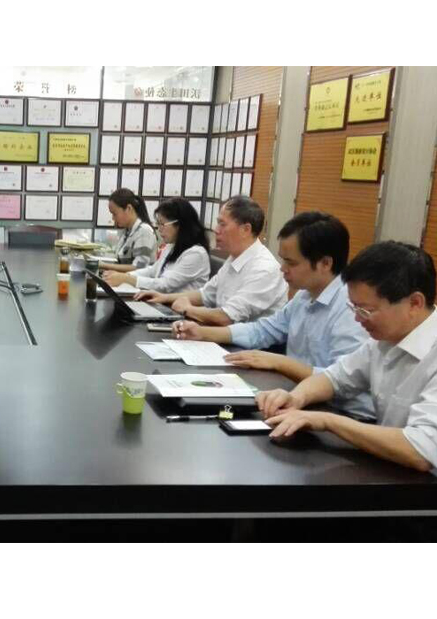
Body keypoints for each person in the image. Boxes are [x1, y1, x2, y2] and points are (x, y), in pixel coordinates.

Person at [172, 212, 372, 420]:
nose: (282, 269)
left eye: (291, 263)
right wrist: (202, 332)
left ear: (325, 263)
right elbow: (264, 330)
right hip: (300, 398)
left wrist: (279, 362)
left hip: (344, 414)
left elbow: (340, 380)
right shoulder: (304, 295)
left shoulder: (352, 309)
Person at [257, 241, 437, 473]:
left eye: (366, 310)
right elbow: (335, 378)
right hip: (394, 471)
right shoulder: (384, 340)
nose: (357, 320)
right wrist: (296, 398)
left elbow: (421, 450)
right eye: (354, 308)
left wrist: (328, 421)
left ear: (414, 303)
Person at [135, 196, 287, 325]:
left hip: (248, 347)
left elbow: (227, 317)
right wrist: (163, 298)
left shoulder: (263, 269)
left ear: (245, 229)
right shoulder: (235, 258)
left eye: (222, 224)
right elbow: (206, 294)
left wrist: (188, 309)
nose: (216, 229)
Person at [103, 197, 210, 292]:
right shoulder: (171, 246)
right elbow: (153, 270)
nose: (159, 229)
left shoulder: (196, 254)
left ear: (180, 224)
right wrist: (124, 276)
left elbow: (164, 285)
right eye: (158, 224)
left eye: (162, 224)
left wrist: (128, 279)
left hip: (174, 307)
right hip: (162, 303)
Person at [98, 188, 156, 273]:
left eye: (115, 214)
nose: (113, 218)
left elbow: (139, 268)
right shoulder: (127, 231)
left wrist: (104, 265)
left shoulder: (144, 231)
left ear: (128, 208)